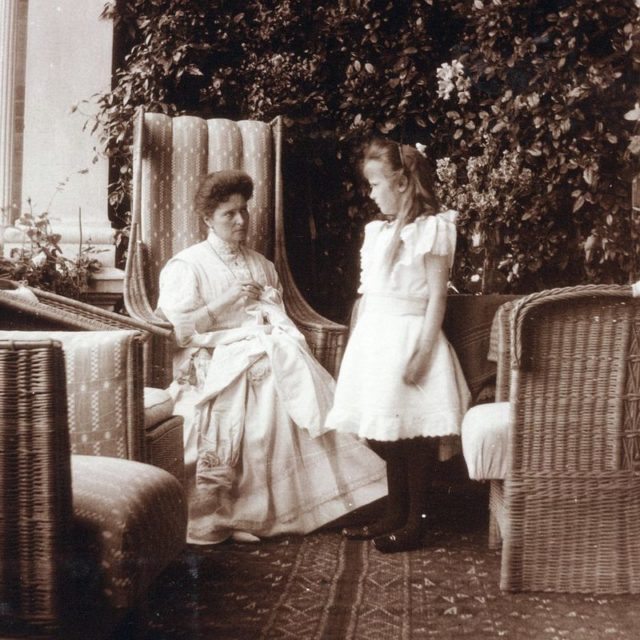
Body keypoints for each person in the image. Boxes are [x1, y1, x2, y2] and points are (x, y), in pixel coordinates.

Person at [157, 170, 387, 545]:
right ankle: (256, 508)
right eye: (229, 214)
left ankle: (340, 494)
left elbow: (277, 318)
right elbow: (178, 334)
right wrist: (225, 301)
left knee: (285, 365)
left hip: (262, 347)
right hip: (209, 358)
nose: (241, 220)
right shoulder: (187, 266)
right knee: (268, 372)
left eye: (244, 211)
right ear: (207, 219)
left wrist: (270, 312)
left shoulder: (262, 265)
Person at [324, 139, 471, 553]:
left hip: (410, 337)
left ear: (403, 182)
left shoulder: (432, 229)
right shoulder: (378, 232)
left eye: (375, 184)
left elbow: (437, 298)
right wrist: (358, 342)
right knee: (385, 429)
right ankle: (394, 510)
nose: (371, 193)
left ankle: (416, 520)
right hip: (376, 339)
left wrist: (424, 352)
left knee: (412, 433)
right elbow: (369, 295)